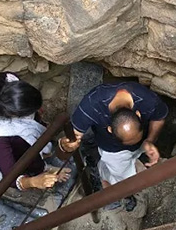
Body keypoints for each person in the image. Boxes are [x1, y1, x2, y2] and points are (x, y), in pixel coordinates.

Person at [60, 81, 168, 211]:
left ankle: (113, 170)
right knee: (121, 176)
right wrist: (66, 145)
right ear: (109, 129)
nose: (132, 144)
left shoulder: (147, 100)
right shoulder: (92, 105)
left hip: (141, 143)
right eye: (128, 142)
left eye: (135, 138)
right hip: (113, 151)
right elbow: (72, 137)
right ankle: (107, 180)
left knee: (131, 160)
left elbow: (159, 117)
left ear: (139, 115)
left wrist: (149, 141)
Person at [0, 72, 69, 190]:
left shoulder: (8, 81)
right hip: (19, 149)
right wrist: (33, 182)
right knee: (26, 151)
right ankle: (41, 169)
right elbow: (9, 178)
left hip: (18, 129)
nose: (40, 111)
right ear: (15, 114)